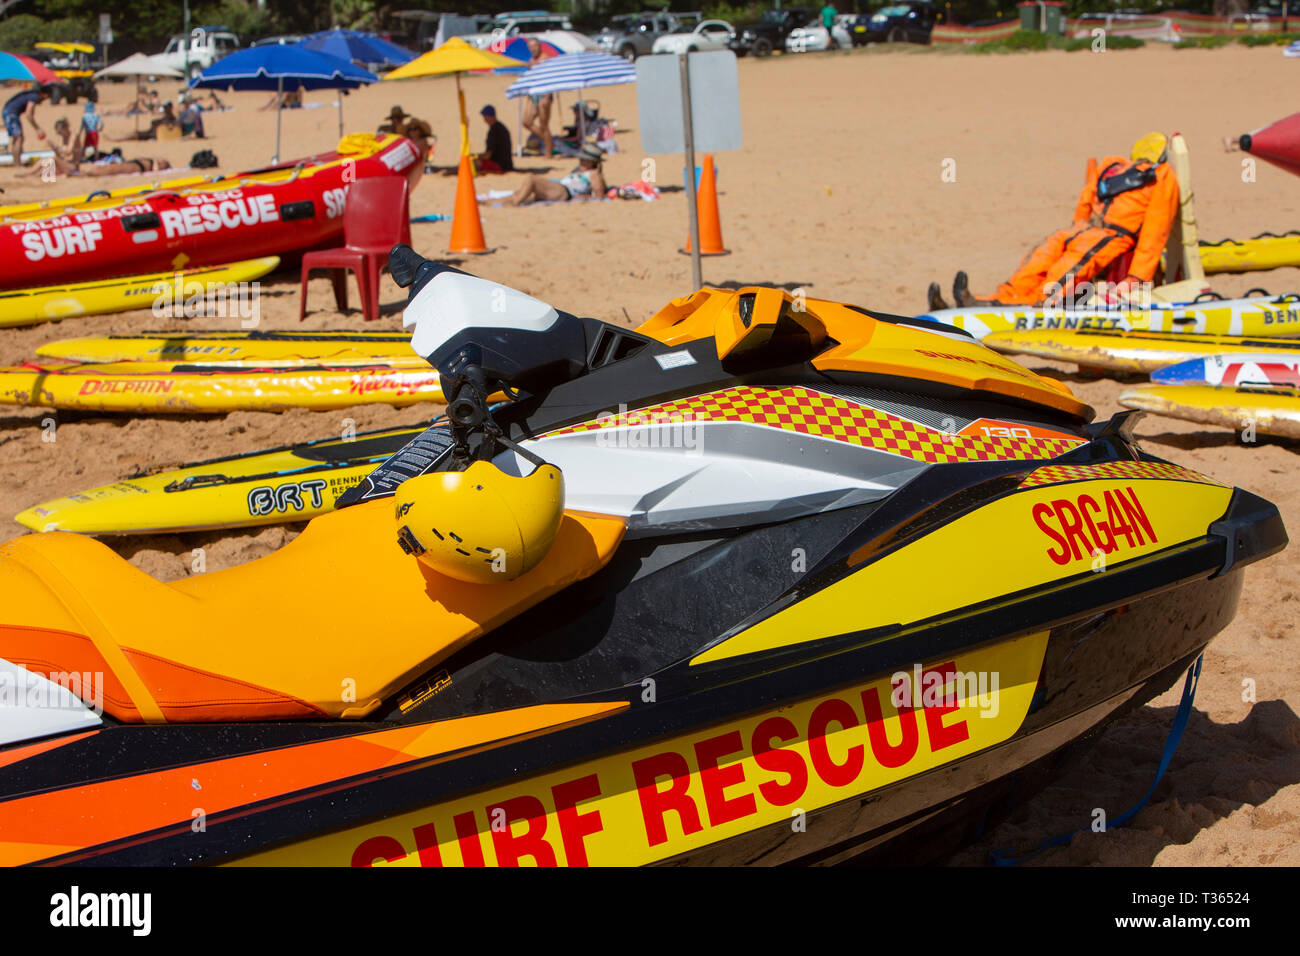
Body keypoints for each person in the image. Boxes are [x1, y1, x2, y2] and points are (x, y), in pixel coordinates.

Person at [928, 132, 1179, 309]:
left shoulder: (1158, 177)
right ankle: (997, 299)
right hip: (1084, 230)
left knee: (1065, 272)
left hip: (1113, 235)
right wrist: (1076, 228)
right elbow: (1086, 200)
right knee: (1038, 259)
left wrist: (1136, 277)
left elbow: (1156, 230)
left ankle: (1026, 303)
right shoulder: (1113, 166)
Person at [501, 141, 606, 206]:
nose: (581, 162)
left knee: (531, 179)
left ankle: (515, 204)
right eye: (581, 159)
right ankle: (489, 202)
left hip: (564, 191)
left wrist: (583, 196)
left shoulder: (594, 174)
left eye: (585, 160)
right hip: (558, 187)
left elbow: (599, 196)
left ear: (593, 162)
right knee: (519, 194)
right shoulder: (578, 170)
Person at [520, 37, 556, 158]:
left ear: (539, 46)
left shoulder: (546, 59)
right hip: (533, 94)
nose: (533, 49)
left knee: (543, 124)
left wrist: (547, 96)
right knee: (526, 122)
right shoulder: (531, 61)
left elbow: (551, 79)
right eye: (531, 47)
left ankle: (549, 151)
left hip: (544, 93)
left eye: (535, 46)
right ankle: (549, 142)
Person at [4, 84, 51, 166]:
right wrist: (37, 128)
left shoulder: (32, 95)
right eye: (48, 96)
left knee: (17, 138)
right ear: (44, 94)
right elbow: (29, 114)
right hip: (11, 114)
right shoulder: (34, 97)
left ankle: (17, 163)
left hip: (9, 112)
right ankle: (17, 164)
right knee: (18, 138)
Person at [476, 104, 513, 174]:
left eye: (485, 117)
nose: (484, 119)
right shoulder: (501, 127)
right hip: (507, 164)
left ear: (490, 117)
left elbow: (488, 155)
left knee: (474, 163)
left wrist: (477, 157)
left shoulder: (494, 131)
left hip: (499, 165)